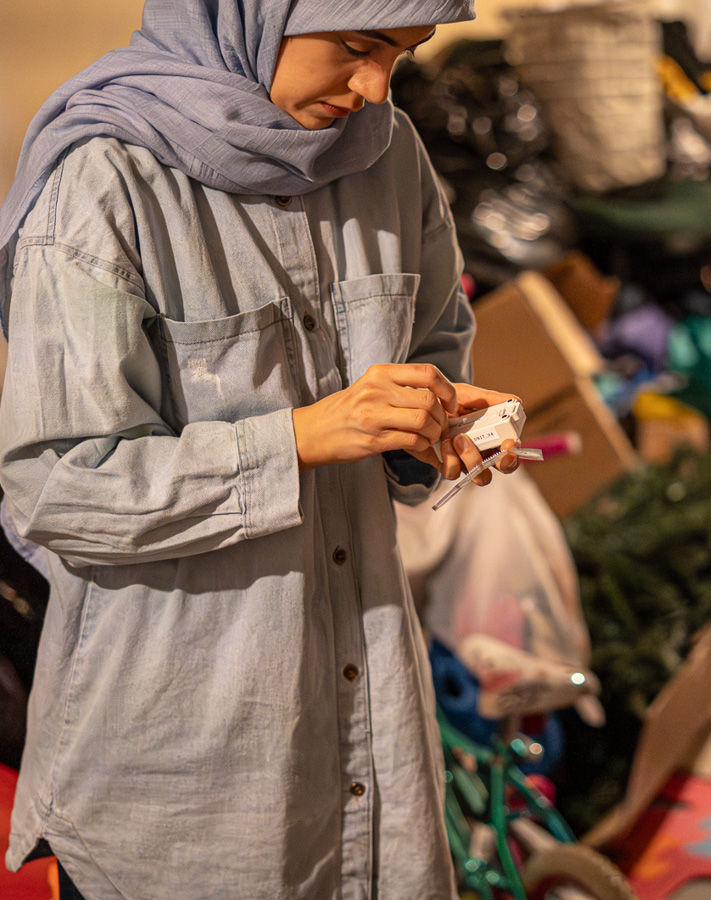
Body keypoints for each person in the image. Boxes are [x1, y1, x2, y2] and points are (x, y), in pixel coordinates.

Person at [0, 0, 526, 897]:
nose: (374, 89)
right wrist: (299, 438)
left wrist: (435, 430)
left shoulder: (389, 156)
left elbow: (434, 347)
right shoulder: (107, 180)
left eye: (401, 55)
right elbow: (57, 489)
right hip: (185, 762)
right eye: (356, 47)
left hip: (369, 730)